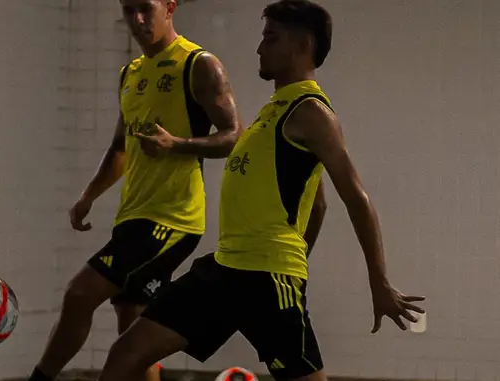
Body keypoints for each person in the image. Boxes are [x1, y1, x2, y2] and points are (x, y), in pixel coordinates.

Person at [94, 1, 428, 381]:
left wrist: (378, 281)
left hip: (267, 278)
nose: (259, 48)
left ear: (302, 46)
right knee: (126, 352)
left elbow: (356, 197)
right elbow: (316, 203)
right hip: (224, 269)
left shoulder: (312, 112)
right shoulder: (275, 109)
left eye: (271, 38)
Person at [27, 0, 244, 380]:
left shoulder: (198, 64)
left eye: (146, 8)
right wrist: (89, 195)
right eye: (129, 10)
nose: (138, 19)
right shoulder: (131, 73)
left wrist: (176, 144)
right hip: (134, 217)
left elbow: (233, 138)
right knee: (132, 329)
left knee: (80, 294)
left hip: (172, 219)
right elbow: (120, 148)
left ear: (170, 7)